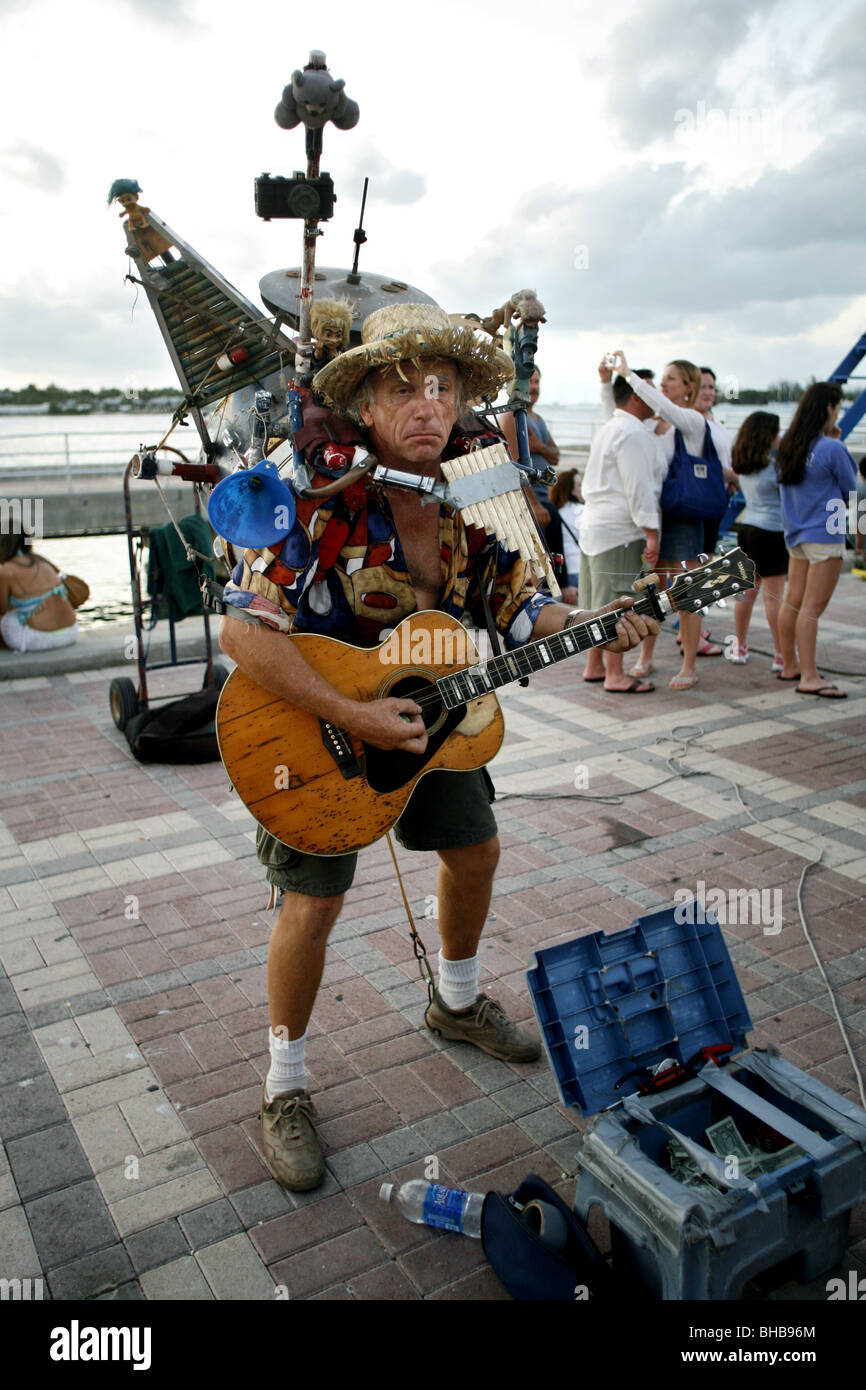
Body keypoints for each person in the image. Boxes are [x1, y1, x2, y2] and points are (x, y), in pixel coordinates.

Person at [217, 304, 658, 1190]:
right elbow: (245, 636)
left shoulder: (472, 503)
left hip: (434, 719)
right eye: (401, 388)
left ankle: (454, 1002)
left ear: (460, 405)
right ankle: (285, 1084)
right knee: (311, 907)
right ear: (368, 406)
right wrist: (358, 713)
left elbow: (528, 611)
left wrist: (603, 623)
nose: (426, 405)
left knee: (477, 849)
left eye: (443, 388)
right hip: (314, 731)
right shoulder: (317, 496)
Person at [611, 351, 723, 687]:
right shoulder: (652, 423)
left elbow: (663, 406)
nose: (663, 383)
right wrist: (609, 384)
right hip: (660, 517)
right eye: (662, 378)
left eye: (671, 378)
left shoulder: (691, 421)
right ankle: (647, 656)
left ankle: (688, 665)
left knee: (688, 592)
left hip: (685, 517)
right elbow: (618, 418)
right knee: (652, 591)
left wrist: (628, 374)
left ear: (688, 386)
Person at [579, 374, 662, 693]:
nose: (657, 399)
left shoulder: (611, 427)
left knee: (594, 600)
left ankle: (594, 664)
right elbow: (638, 488)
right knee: (619, 600)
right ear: (636, 397)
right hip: (620, 530)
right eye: (651, 391)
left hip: (595, 526)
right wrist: (651, 533)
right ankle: (615, 674)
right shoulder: (632, 433)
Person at [776, 382, 857, 697]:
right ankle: (809, 676)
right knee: (812, 607)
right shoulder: (832, 448)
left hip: (795, 534)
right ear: (828, 408)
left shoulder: (787, 446)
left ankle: (790, 665)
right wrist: (839, 447)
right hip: (825, 533)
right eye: (837, 407)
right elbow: (851, 491)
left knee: (793, 600)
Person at [726, 411, 786, 668]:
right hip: (772, 533)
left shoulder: (745, 465)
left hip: (747, 530)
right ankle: (781, 655)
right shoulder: (775, 470)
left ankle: (739, 647)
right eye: (777, 432)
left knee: (746, 594)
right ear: (769, 436)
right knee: (774, 599)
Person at [0, 528, 78, 653]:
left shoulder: (6, 571)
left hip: (41, 640)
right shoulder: (43, 562)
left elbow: (2, 609)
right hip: (71, 633)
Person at [499, 367, 560, 526]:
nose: (534, 387)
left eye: (537, 382)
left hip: (544, 500)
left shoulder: (538, 419)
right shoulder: (512, 417)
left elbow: (556, 457)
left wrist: (539, 447)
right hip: (527, 506)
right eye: (529, 382)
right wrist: (533, 504)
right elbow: (513, 467)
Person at [696, 367, 736, 557]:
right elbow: (704, 464)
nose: (708, 392)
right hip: (702, 500)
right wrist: (735, 478)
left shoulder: (714, 421)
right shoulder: (694, 422)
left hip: (719, 497)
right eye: (703, 387)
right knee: (700, 557)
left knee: (708, 554)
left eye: (711, 387)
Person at [551, 467, 584, 605]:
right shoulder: (581, 511)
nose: (583, 488)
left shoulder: (554, 512)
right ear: (571, 490)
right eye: (579, 485)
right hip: (578, 569)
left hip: (562, 573)